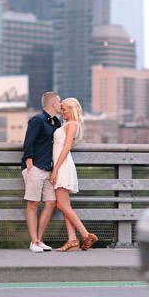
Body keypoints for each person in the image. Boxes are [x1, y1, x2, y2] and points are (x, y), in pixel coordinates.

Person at [49, 97, 99, 251]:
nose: (62, 112)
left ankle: (85, 235)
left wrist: (55, 170)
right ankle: (72, 240)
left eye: (64, 109)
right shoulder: (66, 124)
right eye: (61, 109)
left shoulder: (72, 124)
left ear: (72, 110)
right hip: (60, 164)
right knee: (64, 205)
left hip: (62, 166)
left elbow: (66, 148)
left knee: (61, 204)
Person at [21, 91, 61, 253]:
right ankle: (33, 242)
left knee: (51, 203)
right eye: (59, 102)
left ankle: (39, 239)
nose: (61, 105)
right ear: (53, 103)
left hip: (49, 168)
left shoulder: (56, 122)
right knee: (33, 203)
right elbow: (28, 142)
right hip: (35, 167)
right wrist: (29, 164)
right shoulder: (37, 120)